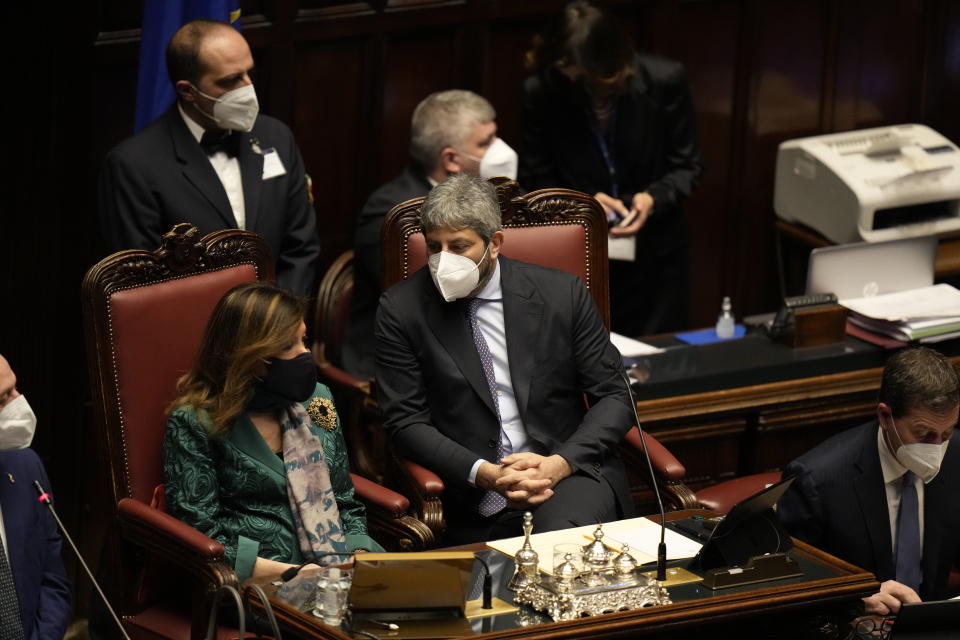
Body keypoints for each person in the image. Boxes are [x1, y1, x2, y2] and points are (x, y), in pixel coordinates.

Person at [375, 174, 633, 544]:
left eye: (459, 247)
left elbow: (615, 396)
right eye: (435, 247)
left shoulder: (561, 295)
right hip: (471, 490)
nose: (443, 261)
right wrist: (485, 474)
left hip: (565, 472)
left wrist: (558, 465)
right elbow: (405, 421)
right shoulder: (402, 310)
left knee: (556, 553)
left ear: (494, 243)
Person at [163, 282, 383, 582]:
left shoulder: (318, 400)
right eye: (287, 346)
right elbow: (200, 537)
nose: (305, 354)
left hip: (338, 564)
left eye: (303, 340)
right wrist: (294, 574)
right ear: (247, 354)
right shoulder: (195, 422)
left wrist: (359, 558)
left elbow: (345, 500)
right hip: (257, 582)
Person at [98, 19, 321, 295]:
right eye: (231, 80)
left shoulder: (276, 136)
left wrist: (278, 324)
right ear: (187, 91)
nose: (247, 88)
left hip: (277, 326)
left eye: (249, 73)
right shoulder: (134, 165)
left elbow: (301, 247)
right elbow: (142, 283)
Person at [520, 1, 702, 336]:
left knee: (658, 360)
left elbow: (687, 166)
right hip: (578, 256)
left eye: (575, 65)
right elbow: (534, 178)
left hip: (655, 254)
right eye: (563, 64)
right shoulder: (543, 92)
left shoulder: (664, 80)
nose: (569, 72)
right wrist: (582, 203)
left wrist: (652, 198)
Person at [343, 90, 518, 379]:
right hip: (408, 355)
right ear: (451, 159)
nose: (501, 149)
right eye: (485, 142)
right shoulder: (394, 213)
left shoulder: (500, 195)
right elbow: (424, 300)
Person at [780, 346, 960, 615]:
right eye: (924, 435)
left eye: (945, 434)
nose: (936, 448)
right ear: (885, 416)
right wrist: (855, 600)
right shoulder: (817, 482)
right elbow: (790, 587)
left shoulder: (956, 456)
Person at [0, 354, 71, 640]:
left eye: (14, 388)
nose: (19, 403)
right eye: (3, 399)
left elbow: (52, 580)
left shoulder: (26, 467)